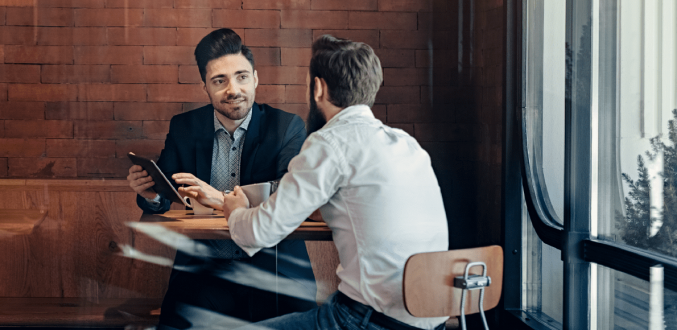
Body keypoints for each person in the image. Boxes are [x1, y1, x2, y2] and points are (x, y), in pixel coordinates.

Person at [223, 35, 449, 330]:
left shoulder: (330, 143)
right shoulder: (407, 144)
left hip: (369, 321)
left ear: (318, 88)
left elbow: (259, 232)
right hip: (430, 318)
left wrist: (236, 210)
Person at [126, 28, 317, 330]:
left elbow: (291, 195)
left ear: (255, 79)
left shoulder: (286, 127)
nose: (233, 89)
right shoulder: (184, 127)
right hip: (205, 273)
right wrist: (151, 194)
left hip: (274, 271)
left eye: (242, 77)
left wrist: (221, 199)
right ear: (204, 86)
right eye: (219, 80)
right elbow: (163, 190)